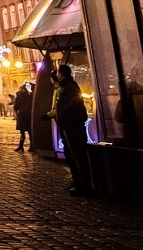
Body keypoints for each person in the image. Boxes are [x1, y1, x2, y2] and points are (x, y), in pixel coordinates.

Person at [52, 65, 91, 195]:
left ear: (61, 74)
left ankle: (84, 185)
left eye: (58, 73)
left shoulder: (70, 87)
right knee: (71, 155)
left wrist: (62, 115)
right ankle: (77, 181)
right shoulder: (65, 87)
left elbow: (71, 105)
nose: (57, 75)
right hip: (67, 125)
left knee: (78, 156)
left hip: (72, 125)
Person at [12, 81, 34, 151]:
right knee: (30, 132)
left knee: (22, 132)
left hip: (21, 115)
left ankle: (21, 146)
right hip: (28, 115)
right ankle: (32, 146)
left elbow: (16, 106)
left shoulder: (19, 97)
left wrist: (16, 112)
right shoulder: (29, 96)